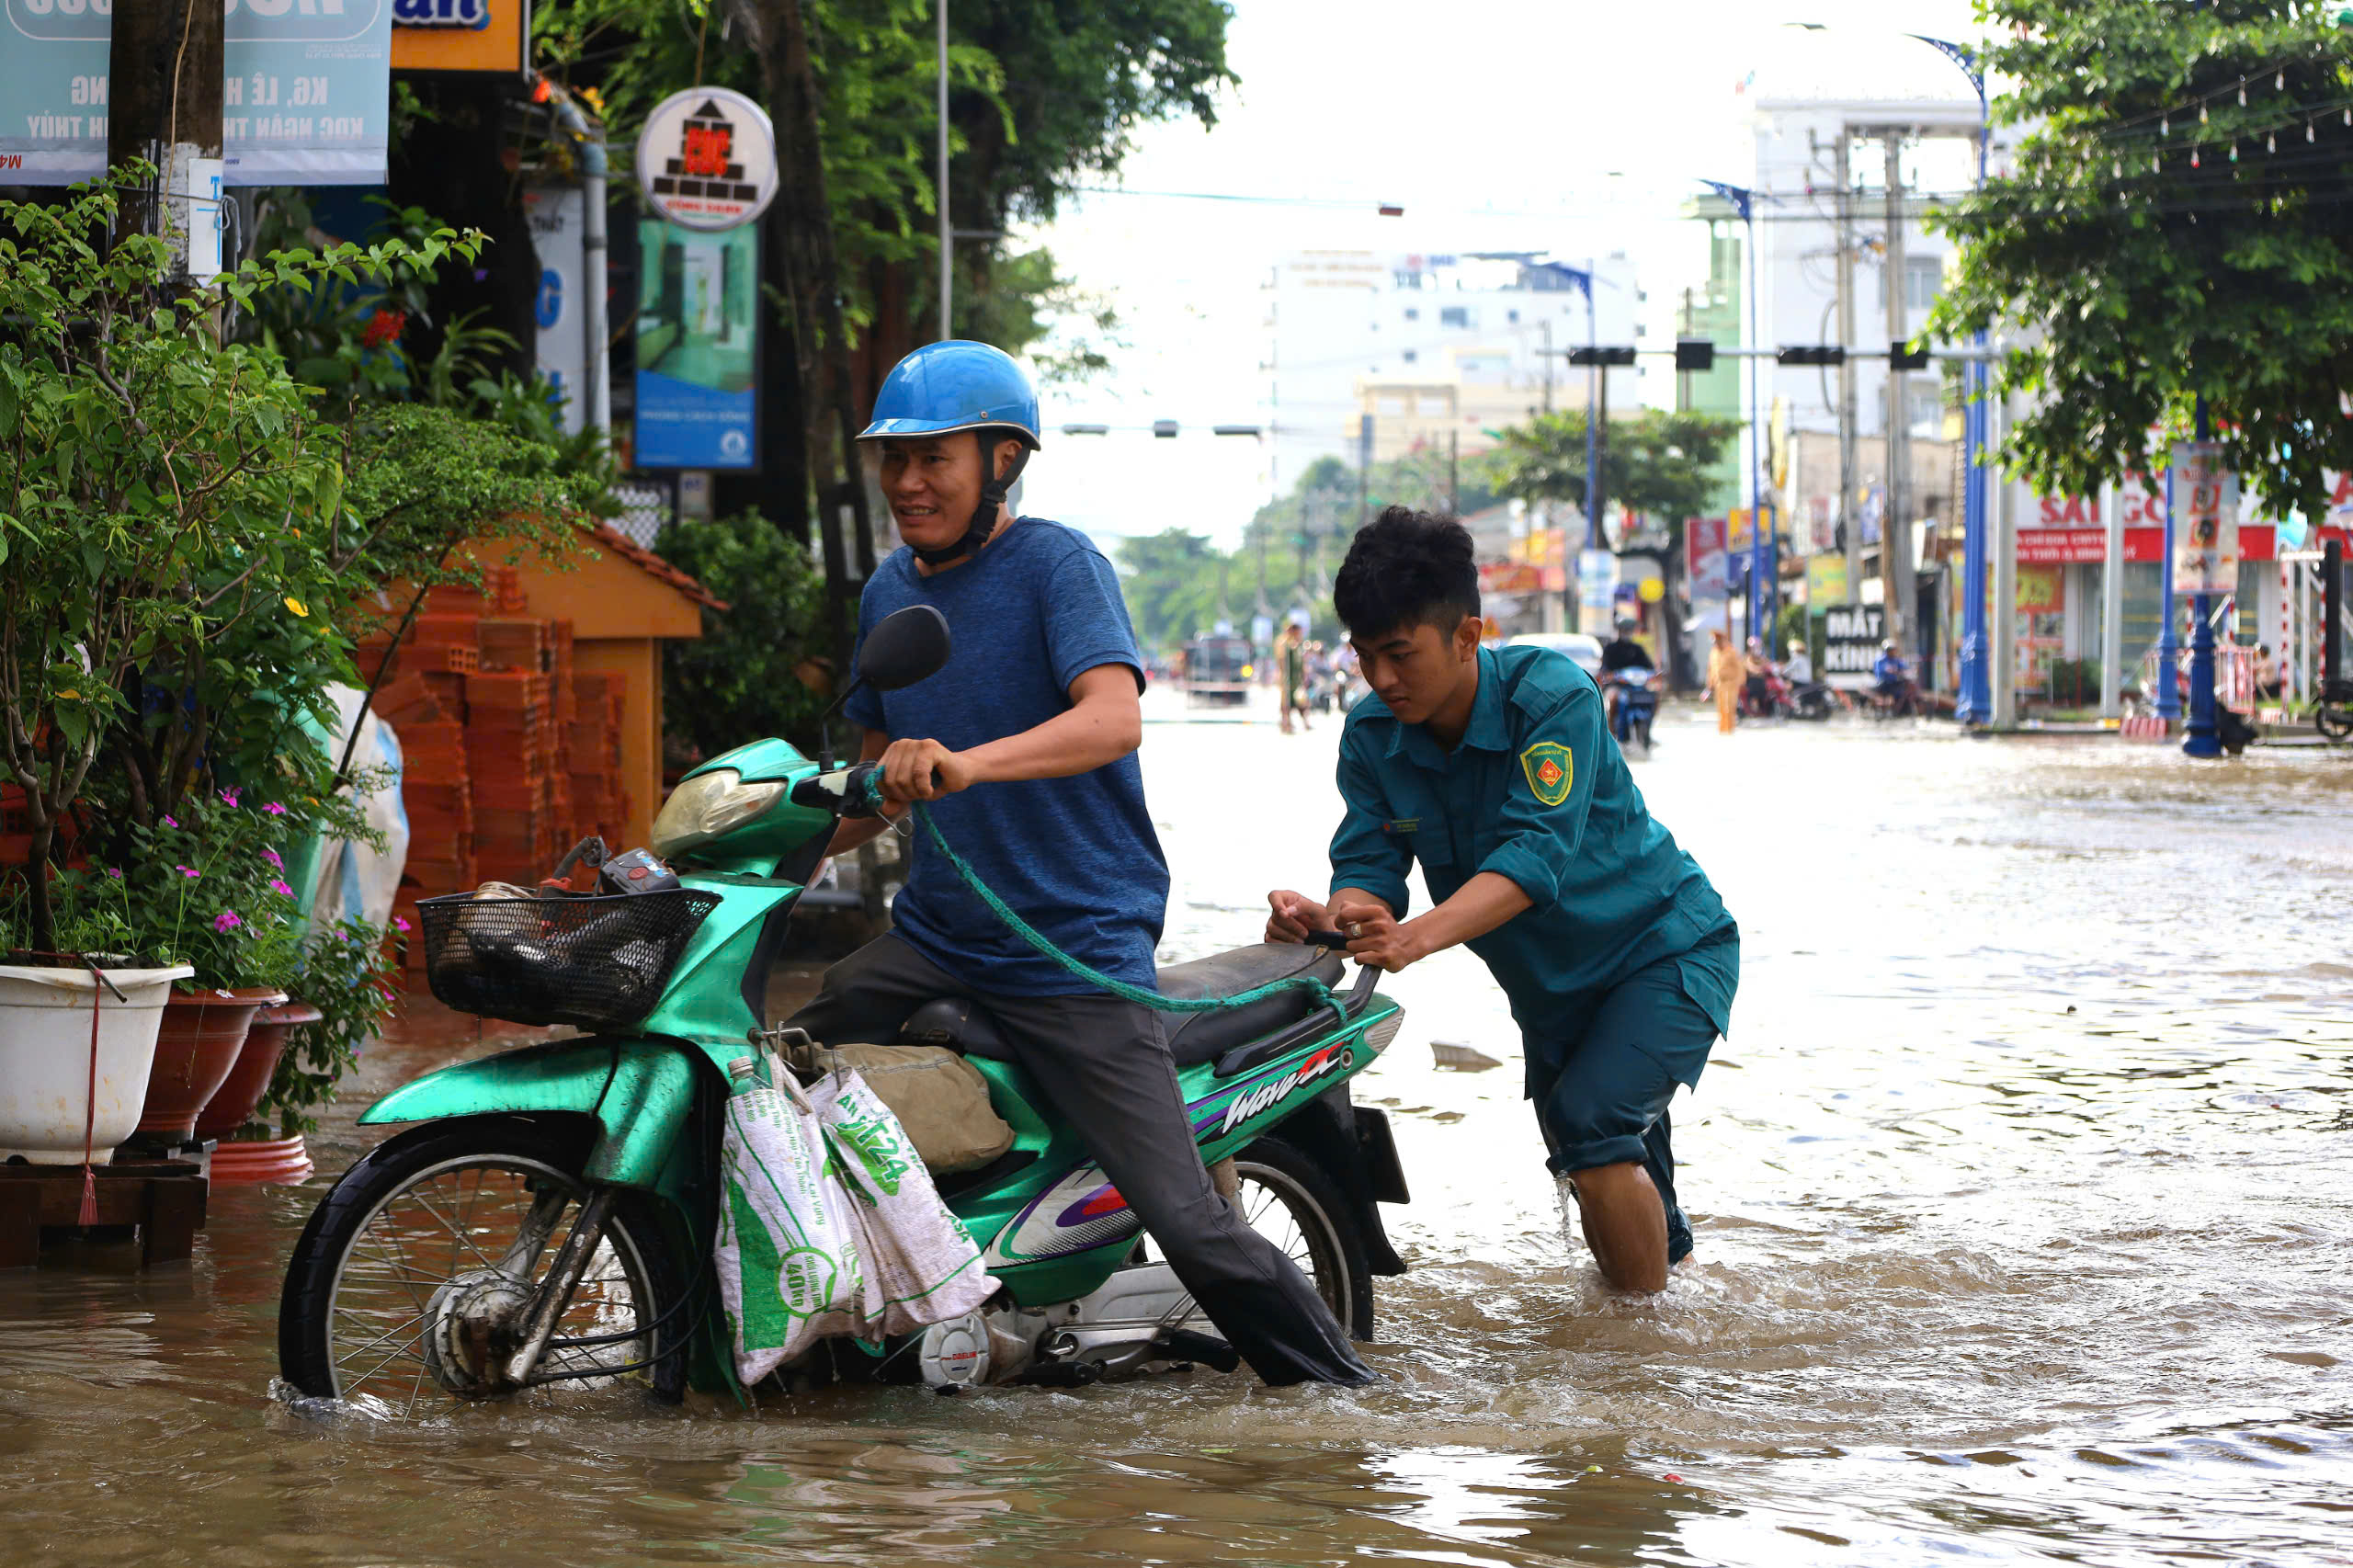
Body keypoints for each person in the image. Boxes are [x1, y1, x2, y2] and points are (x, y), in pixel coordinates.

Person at [787, 340, 1372, 1387]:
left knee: (1188, 1221)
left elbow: (1112, 718)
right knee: (777, 1063)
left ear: (1001, 461)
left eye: (937, 459)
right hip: (936, 935)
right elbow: (870, 780)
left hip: (1068, 942)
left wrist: (962, 765)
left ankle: (1346, 1402)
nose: (909, 482)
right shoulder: (888, 592)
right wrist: (747, 854)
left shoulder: (1059, 567)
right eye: (895, 460)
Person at [1264, 507, 1738, 1293]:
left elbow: (1534, 857)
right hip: (1554, 994)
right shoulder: (1371, 733)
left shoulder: (1552, 700)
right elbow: (1369, 865)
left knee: (1592, 1127)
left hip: (1664, 953)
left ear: (1467, 636)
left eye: (1399, 653)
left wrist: (1413, 939)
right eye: (1364, 655)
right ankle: (1670, 1348)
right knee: (1594, 1158)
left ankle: (1636, 1365)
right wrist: (1333, 916)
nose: (1381, 678)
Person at [1278, 621, 1311, 733]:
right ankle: (1286, 723)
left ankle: (1304, 722)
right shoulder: (1284, 644)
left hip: (1297, 679)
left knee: (1301, 701)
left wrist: (1303, 676)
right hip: (1288, 678)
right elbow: (1281, 661)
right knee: (1287, 702)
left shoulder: (1298, 645)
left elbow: (1301, 663)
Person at [1707, 629, 1742, 733]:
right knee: (1720, 706)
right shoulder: (1714, 652)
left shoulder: (1731, 651)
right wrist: (1710, 683)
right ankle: (1722, 729)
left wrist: (1740, 682)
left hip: (1730, 683)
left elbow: (1739, 668)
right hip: (1719, 684)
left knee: (1729, 706)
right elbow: (1710, 668)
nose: (1715, 643)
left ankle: (1730, 729)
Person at [1873, 640, 1914, 711]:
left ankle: (1899, 708)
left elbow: (1905, 667)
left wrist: (1909, 671)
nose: (1892, 652)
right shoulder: (1881, 661)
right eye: (1889, 650)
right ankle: (1886, 707)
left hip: (1894, 683)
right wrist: (1889, 671)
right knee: (1888, 690)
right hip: (1883, 683)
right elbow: (1881, 672)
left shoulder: (1896, 660)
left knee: (1903, 688)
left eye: (1893, 650)